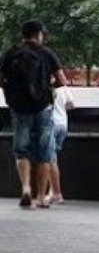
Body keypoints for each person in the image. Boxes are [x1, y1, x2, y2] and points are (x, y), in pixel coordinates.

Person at [0, 19, 68, 208]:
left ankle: (26, 189)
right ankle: (40, 197)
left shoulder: (11, 53)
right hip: (43, 108)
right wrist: (46, 88)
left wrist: (13, 92)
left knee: (22, 150)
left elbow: (0, 79)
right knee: (44, 153)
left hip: (20, 109)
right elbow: (62, 80)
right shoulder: (47, 53)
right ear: (38, 34)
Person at [47, 84, 74, 204]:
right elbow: (71, 105)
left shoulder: (44, 86)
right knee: (52, 158)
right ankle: (52, 191)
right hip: (63, 125)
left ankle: (57, 193)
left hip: (51, 124)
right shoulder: (64, 88)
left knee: (50, 159)